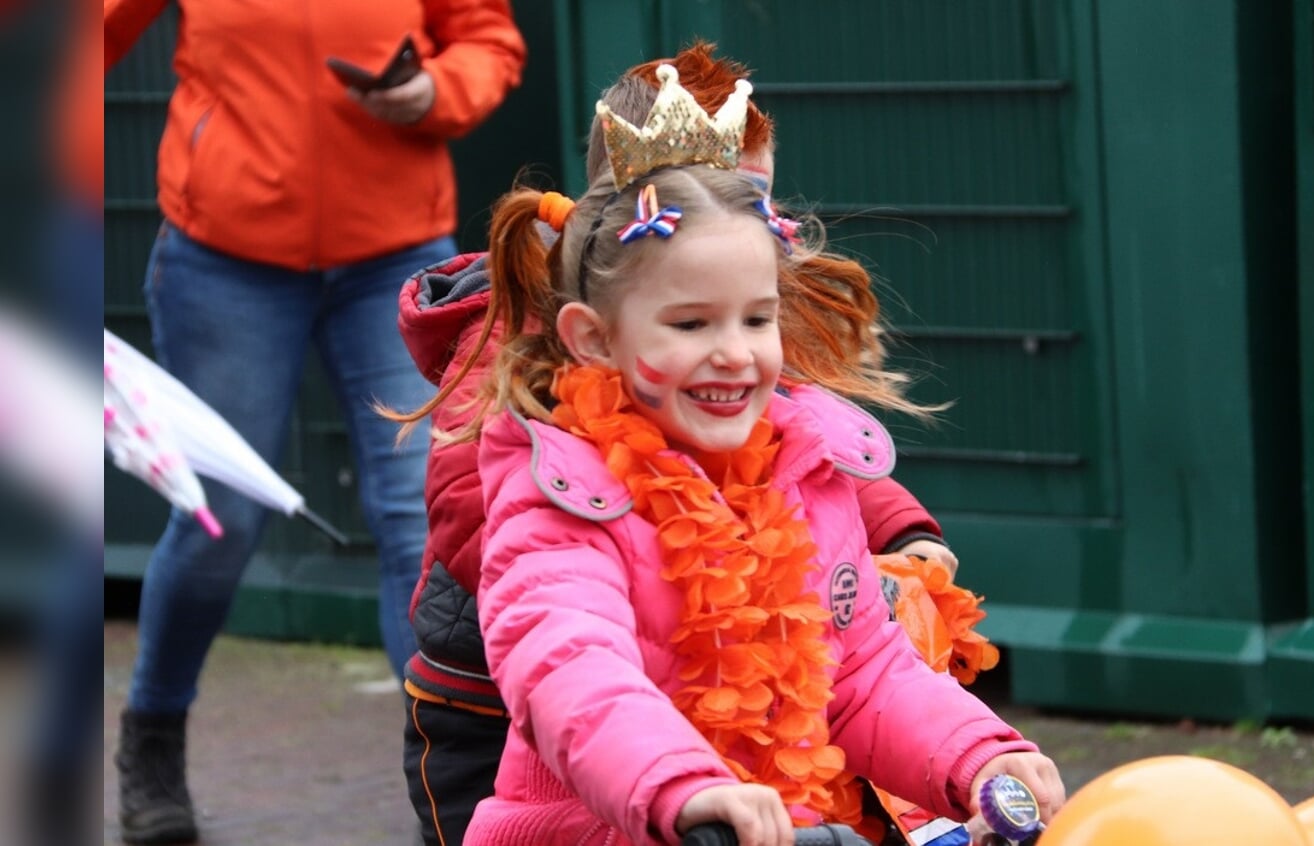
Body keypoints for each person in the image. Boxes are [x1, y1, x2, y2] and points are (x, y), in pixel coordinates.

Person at [454, 64, 1066, 845]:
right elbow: (572, 671)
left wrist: (978, 757)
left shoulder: (804, 470)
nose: (735, 354)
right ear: (594, 338)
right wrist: (683, 786)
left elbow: (863, 675)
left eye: (756, 319)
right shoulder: (562, 490)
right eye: (690, 325)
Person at [102, 1, 526, 842]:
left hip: (395, 252)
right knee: (220, 515)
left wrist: (435, 89)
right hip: (225, 256)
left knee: (424, 520)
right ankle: (152, 735)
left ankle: (446, 784)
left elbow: (487, 36)